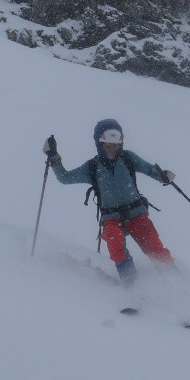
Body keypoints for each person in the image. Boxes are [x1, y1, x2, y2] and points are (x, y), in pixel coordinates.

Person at [44, 119, 176, 285]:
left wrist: (163, 175)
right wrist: (54, 158)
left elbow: (149, 169)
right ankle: (133, 283)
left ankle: (175, 279)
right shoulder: (92, 167)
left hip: (136, 213)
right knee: (115, 242)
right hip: (111, 217)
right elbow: (65, 177)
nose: (112, 150)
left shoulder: (128, 158)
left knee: (154, 246)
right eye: (107, 146)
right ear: (100, 145)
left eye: (116, 146)